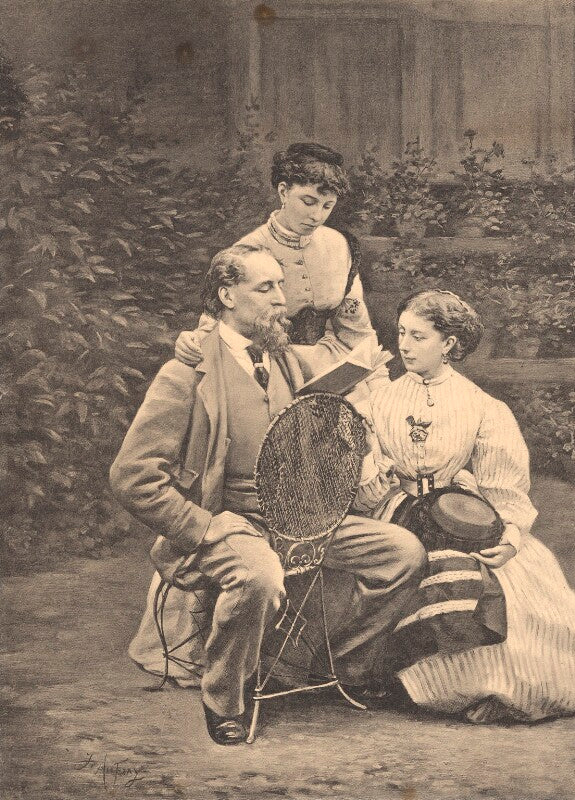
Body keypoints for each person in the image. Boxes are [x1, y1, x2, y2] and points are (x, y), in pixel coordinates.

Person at [110, 244, 426, 745]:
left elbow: (315, 431)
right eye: (266, 288)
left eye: (281, 285)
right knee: (258, 576)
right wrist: (203, 525)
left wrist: (355, 451)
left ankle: (343, 666)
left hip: (301, 517)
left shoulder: (286, 360)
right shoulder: (187, 372)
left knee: (403, 554)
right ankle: (224, 700)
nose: (282, 298)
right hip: (231, 522)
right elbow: (132, 476)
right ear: (226, 295)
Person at [352, 289, 575, 722]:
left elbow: (504, 487)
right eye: (401, 334)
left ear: (449, 343)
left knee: (509, 581)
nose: (405, 346)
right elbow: (360, 475)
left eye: (418, 336)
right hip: (394, 513)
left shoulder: (482, 405)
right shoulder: (376, 402)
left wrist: (510, 535)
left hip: (457, 515)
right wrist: (372, 486)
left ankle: (481, 684)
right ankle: (402, 679)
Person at [174, 141, 388, 387]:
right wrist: (191, 342)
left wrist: (378, 380)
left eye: (327, 206)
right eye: (308, 202)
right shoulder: (248, 251)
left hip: (332, 366)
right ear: (283, 191)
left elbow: (356, 329)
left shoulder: (339, 245)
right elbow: (216, 327)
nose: (317, 216)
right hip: (271, 369)